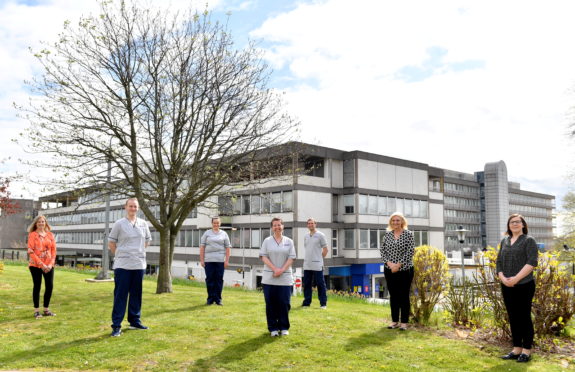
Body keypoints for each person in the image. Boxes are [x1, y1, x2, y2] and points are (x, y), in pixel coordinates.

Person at [497, 214, 538, 363]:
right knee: (513, 317)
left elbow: (532, 262)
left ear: (523, 224)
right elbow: (498, 262)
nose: (514, 224)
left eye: (517, 222)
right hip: (506, 285)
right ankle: (516, 349)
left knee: (524, 317)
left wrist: (516, 278)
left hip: (524, 284)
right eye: (511, 222)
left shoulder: (529, 240)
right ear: (508, 226)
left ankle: (526, 351)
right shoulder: (504, 241)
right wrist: (503, 278)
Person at [108, 198, 152, 337]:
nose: (133, 208)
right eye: (130, 206)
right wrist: (122, 254)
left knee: (136, 294)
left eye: (135, 206)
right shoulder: (119, 224)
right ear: (125, 207)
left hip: (138, 264)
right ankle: (116, 326)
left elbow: (147, 241)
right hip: (123, 265)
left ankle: (134, 321)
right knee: (120, 296)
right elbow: (111, 243)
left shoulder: (143, 224)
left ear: (138, 208)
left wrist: (136, 253)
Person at [259, 217, 296, 337]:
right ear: (272, 227)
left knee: (285, 303)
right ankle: (273, 328)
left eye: (279, 225)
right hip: (269, 278)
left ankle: (284, 327)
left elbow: (291, 258)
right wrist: (275, 269)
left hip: (285, 278)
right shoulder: (267, 241)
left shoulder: (289, 241)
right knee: (270, 304)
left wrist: (281, 270)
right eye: (275, 225)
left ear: (283, 226)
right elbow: (263, 257)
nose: (277, 227)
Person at [379, 212, 415, 331]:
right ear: (391, 222)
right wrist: (389, 264)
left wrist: (398, 265)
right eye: (393, 220)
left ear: (402, 222)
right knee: (393, 295)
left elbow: (410, 251)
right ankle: (394, 321)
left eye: (398, 220)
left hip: (405, 269)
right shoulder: (387, 235)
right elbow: (382, 251)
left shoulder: (409, 234)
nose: (395, 222)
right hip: (389, 269)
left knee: (404, 295)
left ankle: (404, 322)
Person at [27, 215, 57, 319]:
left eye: (43, 222)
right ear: (35, 223)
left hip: (49, 265)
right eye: (39, 222)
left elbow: (53, 251)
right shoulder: (32, 235)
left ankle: (46, 310)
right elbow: (30, 251)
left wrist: (50, 264)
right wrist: (42, 264)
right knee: (37, 286)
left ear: (45, 223)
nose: (41, 223)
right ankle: (36, 311)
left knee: (49, 286)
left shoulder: (50, 235)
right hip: (35, 265)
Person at [200, 217, 231, 306]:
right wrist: (202, 260)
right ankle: (210, 299)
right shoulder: (207, 233)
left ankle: (218, 299)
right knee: (210, 279)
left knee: (219, 280)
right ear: (212, 223)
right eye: (214, 223)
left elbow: (228, 248)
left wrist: (227, 260)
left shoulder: (224, 234)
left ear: (220, 223)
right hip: (208, 260)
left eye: (217, 223)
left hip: (220, 261)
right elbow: (202, 247)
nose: (216, 224)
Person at [301, 218, 328, 309]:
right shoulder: (306, 236)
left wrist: (319, 258)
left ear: (315, 224)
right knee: (307, 284)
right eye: (309, 223)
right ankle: (306, 303)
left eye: (312, 223)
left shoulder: (321, 235)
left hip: (317, 264)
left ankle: (323, 304)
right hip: (307, 264)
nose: (310, 225)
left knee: (320, 284)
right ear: (307, 225)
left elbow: (325, 250)